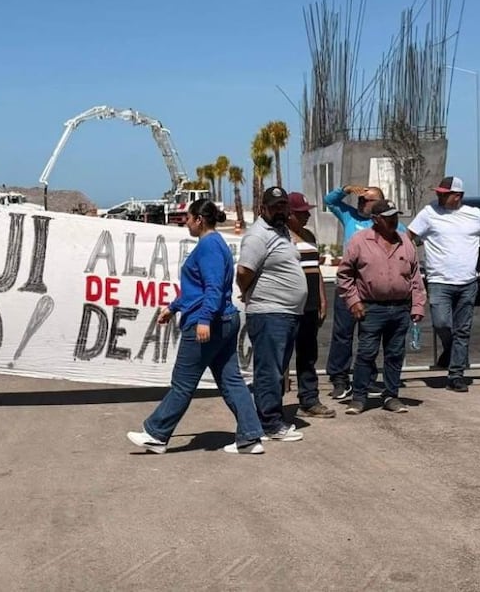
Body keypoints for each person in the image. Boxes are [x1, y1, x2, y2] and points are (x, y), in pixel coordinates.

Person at [127, 199, 265, 454]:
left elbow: (212, 288)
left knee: (182, 382)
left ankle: (156, 434)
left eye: (188, 218)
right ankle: (250, 437)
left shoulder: (209, 246)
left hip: (210, 322)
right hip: (223, 319)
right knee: (232, 380)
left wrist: (203, 320)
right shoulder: (214, 244)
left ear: (199, 220)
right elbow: (199, 289)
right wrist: (173, 307)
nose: (186, 223)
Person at [408, 177, 480, 392]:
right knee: (441, 324)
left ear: (457, 196)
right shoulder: (429, 212)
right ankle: (449, 349)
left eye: (444, 194)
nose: (439, 196)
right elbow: (408, 236)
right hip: (439, 280)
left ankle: (456, 375)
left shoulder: (474, 215)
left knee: (463, 330)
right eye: (438, 193)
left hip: (468, 281)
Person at [337, 201, 426, 415]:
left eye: (395, 216)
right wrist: (353, 301)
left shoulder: (405, 242)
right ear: (376, 219)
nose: (394, 221)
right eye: (389, 217)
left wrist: (418, 305)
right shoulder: (359, 241)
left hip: (400, 308)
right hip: (371, 308)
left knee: (395, 354)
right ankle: (359, 397)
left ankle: (391, 395)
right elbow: (344, 274)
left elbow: (415, 277)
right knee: (367, 353)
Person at [237, 186, 307, 442]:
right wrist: (247, 292)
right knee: (270, 370)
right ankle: (270, 424)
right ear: (262, 208)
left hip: (286, 313)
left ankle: (268, 417)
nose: (280, 210)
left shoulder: (282, 231)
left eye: (283, 205)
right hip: (269, 312)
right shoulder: (258, 235)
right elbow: (244, 272)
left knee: (277, 368)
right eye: (275, 206)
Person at [323, 184, 406, 399]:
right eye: (360, 200)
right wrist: (346, 190)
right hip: (349, 286)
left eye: (366, 200)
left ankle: (367, 379)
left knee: (370, 337)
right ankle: (340, 379)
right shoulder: (350, 216)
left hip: (373, 291)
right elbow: (329, 201)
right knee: (343, 334)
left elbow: (405, 249)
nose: (361, 203)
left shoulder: (392, 225)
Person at [286, 192, 334, 418]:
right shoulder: (282, 238)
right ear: (289, 214)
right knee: (282, 355)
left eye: (307, 211)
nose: (306, 215)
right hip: (289, 306)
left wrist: (323, 299)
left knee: (307, 355)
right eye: (301, 212)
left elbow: (316, 271)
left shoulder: (309, 236)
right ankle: (272, 405)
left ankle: (309, 400)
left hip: (310, 306)